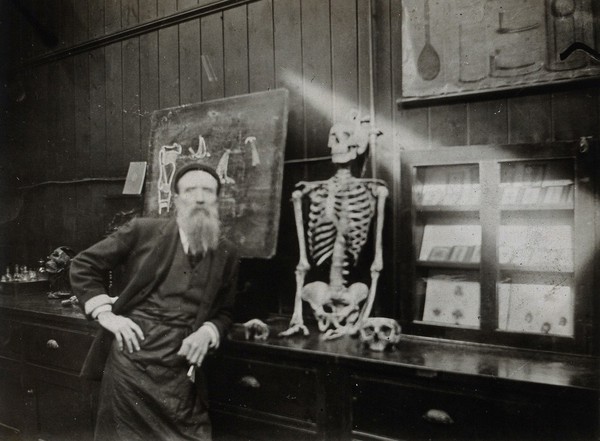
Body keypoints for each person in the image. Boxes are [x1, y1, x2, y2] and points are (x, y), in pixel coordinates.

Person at [70, 163, 240, 441]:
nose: (199, 197)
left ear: (217, 200)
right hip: (131, 367)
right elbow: (83, 264)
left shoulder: (227, 253)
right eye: (190, 190)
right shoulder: (144, 231)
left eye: (207, 190)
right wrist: (107, 315)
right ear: (176, 199)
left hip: (181, 375)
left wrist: (208, 332)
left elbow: (225, 311)